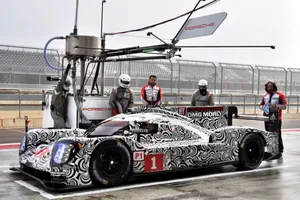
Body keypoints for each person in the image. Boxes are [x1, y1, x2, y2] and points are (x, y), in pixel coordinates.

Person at [259, 80, 287, 156]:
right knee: (268, 133)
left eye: (271, 86)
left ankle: (279, 150)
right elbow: (260, 105)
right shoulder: (265, 96)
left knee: (277, 133)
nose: (270, 88)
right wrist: (264, 107)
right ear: (266, 88)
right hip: (266, 117)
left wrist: (275, 106)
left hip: (276, 117)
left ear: (274, 87)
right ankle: (269, 150)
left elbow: (284, 106)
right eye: (268, 87)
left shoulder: (280, 95)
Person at [50, 64, 71, 128]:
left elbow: (64, 106)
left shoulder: (64, 93)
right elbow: (61, 82)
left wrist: (64, 116)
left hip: (59, 114)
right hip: (56, 113)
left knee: (57, 129)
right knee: (63, 129)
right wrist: (66, 71)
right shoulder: (58, 90)